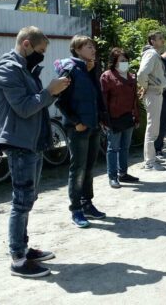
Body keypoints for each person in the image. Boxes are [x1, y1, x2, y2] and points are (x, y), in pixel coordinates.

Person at [0, 26, 70, 278]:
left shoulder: (25, 68)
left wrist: (53, 92)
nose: (42, 55)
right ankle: (17, 258)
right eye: (40, 50)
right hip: (18, 143)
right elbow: (25, 108)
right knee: (21, 201)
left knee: (29, 198)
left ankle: (23, 247)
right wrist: (50, 91)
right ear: (26, 44)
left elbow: (37, 103)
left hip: (31, 142)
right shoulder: (7, 69)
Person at [55, 35, 108, 228]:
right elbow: (60, 101)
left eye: (93, 46)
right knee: (78, 169)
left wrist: (102, 119)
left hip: (92, 125)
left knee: (89, 168)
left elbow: (96, 96)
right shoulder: (70, 69)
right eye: (88, 46)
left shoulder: (90, 68)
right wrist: (76, 121)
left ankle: (87, 203)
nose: (93, 49)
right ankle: (76, 209)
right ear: (77, 50)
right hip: (78, 128)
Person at [100, 48, 140, 189]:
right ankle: (113, 177)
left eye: (126, 60)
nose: (125, 63)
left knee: (125, 147)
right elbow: (103, 100)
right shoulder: (107, 76)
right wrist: (104, 120)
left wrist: (137, 117)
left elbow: (135, 99)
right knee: (113, 148)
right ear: (114, 62)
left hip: (128, 117)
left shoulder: (131, 77)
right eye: (122, 60)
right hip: (113, 118)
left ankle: (123, 173)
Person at [137, 31, 166, 171]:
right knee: (152, 129)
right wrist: (145, 86)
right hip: (153, 93)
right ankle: (149, 162)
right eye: (160, 38)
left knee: (154, 128)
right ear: (152, 41)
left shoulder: (154, 54)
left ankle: (151, 157)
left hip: (156, 93)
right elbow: (142, 73)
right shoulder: (151, 54)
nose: (163, 41)